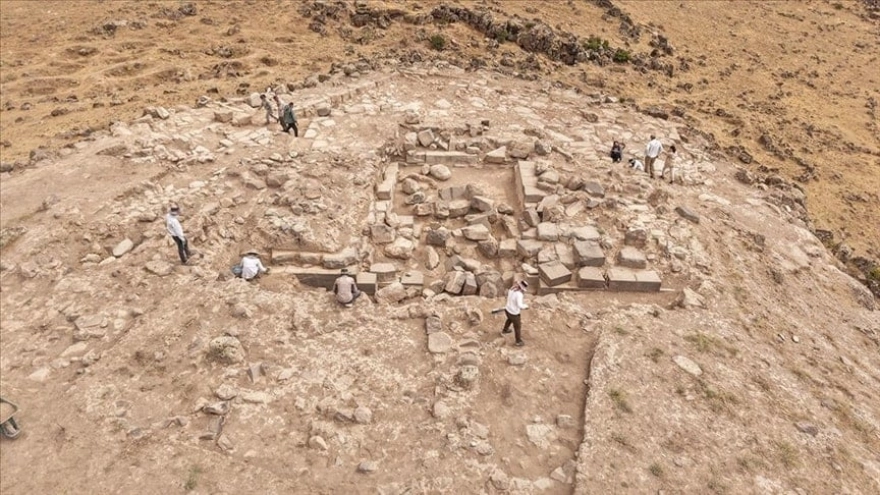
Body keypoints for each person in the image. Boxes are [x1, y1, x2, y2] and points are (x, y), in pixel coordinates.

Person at [501, 280, 529, 347]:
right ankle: (518, 341)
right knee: (517, 327)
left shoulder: (511, 289)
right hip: (514, 313)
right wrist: (526, 306)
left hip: (507, 310)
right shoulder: (519, 294)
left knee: (509, 319)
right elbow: (520, 305)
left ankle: (505, 330)